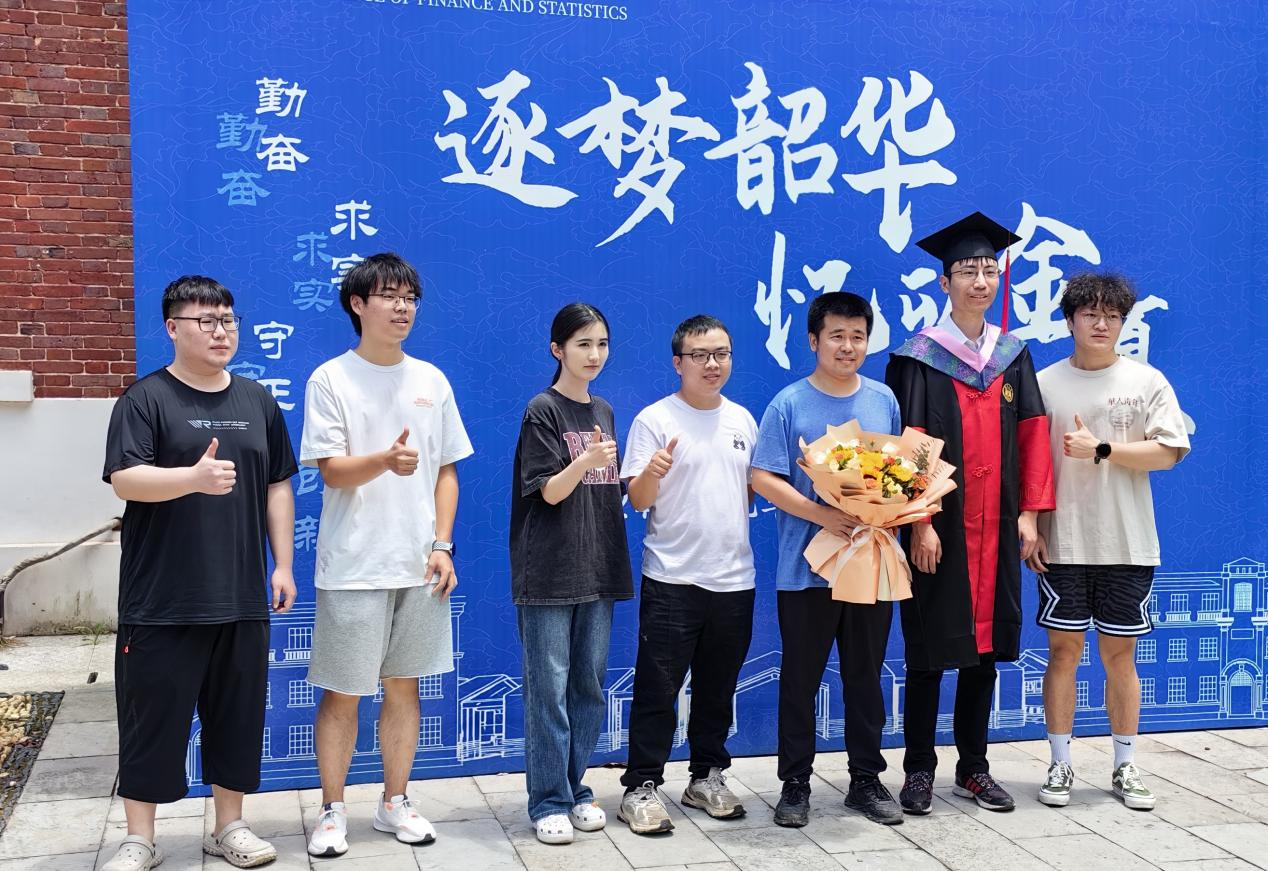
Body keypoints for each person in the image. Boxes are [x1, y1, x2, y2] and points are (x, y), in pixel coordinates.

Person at [102, 276, 298, 871]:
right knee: (151, 719)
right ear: (173, 328)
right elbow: (125, 479)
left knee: (237, 718)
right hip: (162, 598)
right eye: (206, 321)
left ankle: (229, 826)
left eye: (228, 320)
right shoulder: (146, 399)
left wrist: (283, 564)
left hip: (239, 593)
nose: (221, 331)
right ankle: (140, 838)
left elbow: (278, 483)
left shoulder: (257, 400)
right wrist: (190, 478)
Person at [300, 253, 473, 858]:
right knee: (343, 693)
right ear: (358, 304)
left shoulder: (431, 380)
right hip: (353, 565)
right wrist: (384, 460)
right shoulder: (331, 379)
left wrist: (442, 544)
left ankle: (394, 801)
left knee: (405, 688)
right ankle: (331, 809)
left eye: (410, 298)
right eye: (390, 296)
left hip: (419, 563)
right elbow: (331, 471)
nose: (402, 308)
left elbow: (446, 470)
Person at [886, 212, 1055, 814]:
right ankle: (918, 770)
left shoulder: (1012, 356)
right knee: (929, 651)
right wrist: (921, 521)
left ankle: (974, 768)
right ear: (945, 281)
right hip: (941, 529)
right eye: (967, 271)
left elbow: (1033, 434)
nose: (980, 281)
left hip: (999, 527)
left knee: (985, 653)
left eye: (988, 270)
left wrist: (1030, 515)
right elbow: (907, 444)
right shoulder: (919, 357)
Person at [1029, 273, 1189, 811]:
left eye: (1113, 316)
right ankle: (1059, 764)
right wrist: (1032, 523)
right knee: (1063, 653)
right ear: (1070, 320)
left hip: (1127, 542)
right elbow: (1029, 464)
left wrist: (1101, 448)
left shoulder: (1146, 381)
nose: (1102, 324)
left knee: (1120, 655)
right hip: (1063, 543)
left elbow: (1169, 451)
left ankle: (1125, 765)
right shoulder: (1044, 384)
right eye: (1091, 314)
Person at [751, 292, 905, 829]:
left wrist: (893, 507)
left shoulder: (884, 400)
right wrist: (823, 514)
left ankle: (865, 779)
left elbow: (899, 477)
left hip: (870, 564)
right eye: (836, 336)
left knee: (865, 675)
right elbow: (763, 477)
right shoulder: (788, 403)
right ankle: (795, 783)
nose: (848, 346)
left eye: (858, 336)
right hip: (806, 568)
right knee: (801, 677)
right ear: (814, 340)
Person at [617, 315, 758, 835]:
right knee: (658, 689)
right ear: (678, 363)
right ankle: (641, 785)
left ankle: (707, 777)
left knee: (719, 689)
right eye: (700, 355)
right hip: (673, 577)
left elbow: (749, 493)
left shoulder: (743, 420)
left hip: (735, 578)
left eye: (721, 354)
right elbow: (638, 500)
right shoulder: (655, 419)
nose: (712, 364)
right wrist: (652, 473)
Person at [510, 303, 634, 845]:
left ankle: (575, 787)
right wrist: (585, 461)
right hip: (549, 572)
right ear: (557, 350)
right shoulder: (542, 410)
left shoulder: (603, 410)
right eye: (583, 344)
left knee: (587, 687)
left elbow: (604, 493)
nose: (594, 354)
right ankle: (548, 800)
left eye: (602, 343)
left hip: (598, 566)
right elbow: (551, 491)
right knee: (549, 691)